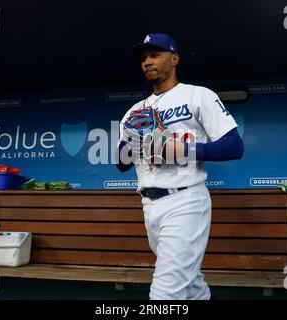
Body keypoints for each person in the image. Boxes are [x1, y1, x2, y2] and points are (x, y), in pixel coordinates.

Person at [116, 33, 244, 300]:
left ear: (174, 58)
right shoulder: (133, 111)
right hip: (149, 205)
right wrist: (134, 143)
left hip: (185, 200)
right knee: (191, 283)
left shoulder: (198, 95)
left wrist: (186, 150)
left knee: (165, 294)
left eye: (154, 54)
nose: (147, 62)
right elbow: (122, 164)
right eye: (143, 58)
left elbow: (234, 146)